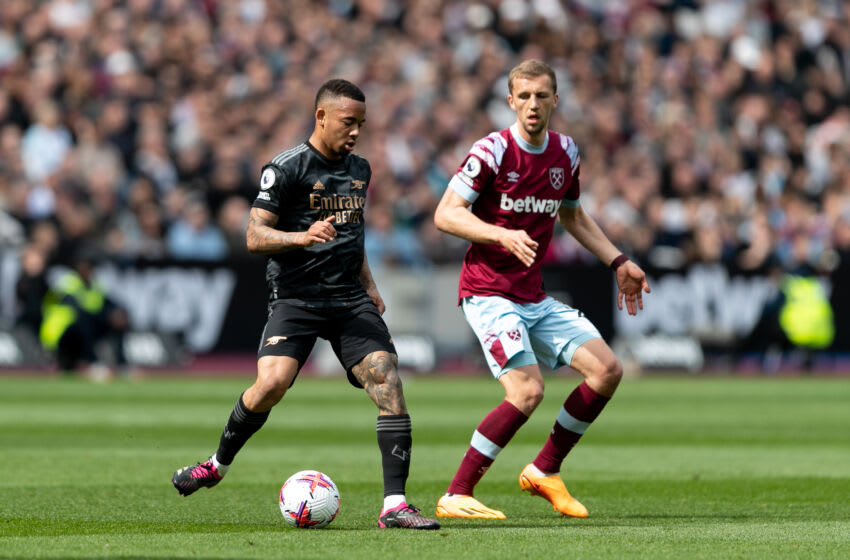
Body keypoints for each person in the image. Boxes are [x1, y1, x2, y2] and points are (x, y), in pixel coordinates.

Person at [171, 79, 439, 531]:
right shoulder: (286, 167)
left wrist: (369, 284)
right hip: (296, 296)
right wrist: (302, 236)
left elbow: (355, 232)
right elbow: (254, 235)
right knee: (272, 383)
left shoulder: (361, 169)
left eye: (361, 124)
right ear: (321, 117)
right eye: (347, 122)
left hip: (349, 297)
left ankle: (395, 505)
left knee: (386, 379)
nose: (355, 131)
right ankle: (216, 465)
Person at [432, 60, 651, 520]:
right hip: (488, 291)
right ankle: (456, 493)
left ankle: (545, 470)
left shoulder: (567, 152)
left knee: (607, 370)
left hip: (532, 295)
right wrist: (499, 233)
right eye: (524, 96)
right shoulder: (491, 151)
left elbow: (571, 215)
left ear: (555, 100)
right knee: (527, 392)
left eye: (541, 96)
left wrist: (618, 260)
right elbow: (446, 214)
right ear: (511, 101)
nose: (533, 105)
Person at [39, 246, 129, 378]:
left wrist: (117, 314)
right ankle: (93, 364)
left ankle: (122, 365)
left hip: (84, 334)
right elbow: (76, 308)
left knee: (118, 319)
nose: (89, 270)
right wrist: (107, 316)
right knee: (83, 320)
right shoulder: (65, 283)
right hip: (60, 335)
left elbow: (107, 303)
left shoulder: (95, 285)